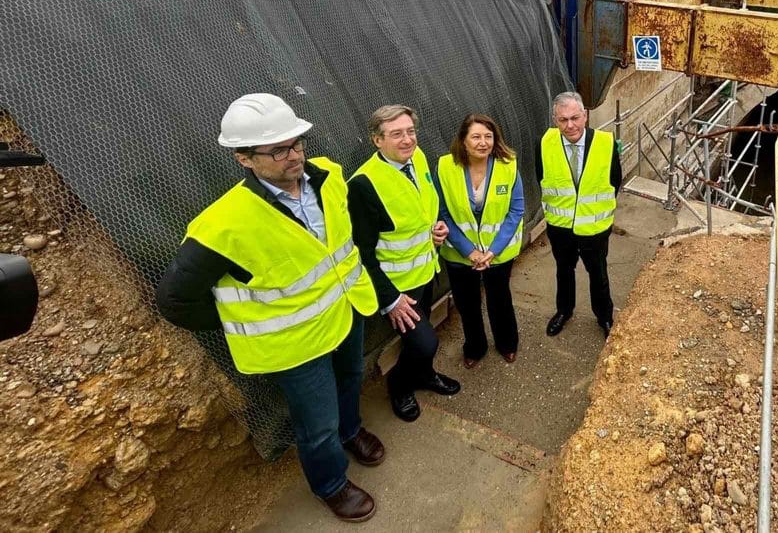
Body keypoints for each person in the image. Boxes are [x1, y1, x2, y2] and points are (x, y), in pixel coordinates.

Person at [157, 93, 383, 523]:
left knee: (352, 378)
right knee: (316, 423)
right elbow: (174, 301)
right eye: (277, 150)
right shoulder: (224, 225)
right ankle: (331, 484)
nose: (292, 155)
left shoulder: (330, 177)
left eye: (296, 143)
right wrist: (240, 317)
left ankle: (351, 431)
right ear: (243, 158)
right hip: (294, 344)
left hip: (345, 311)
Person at [348, 105, 460, 424]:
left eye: (410, 131)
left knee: (422, 344)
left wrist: (436, 226)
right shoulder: (364, 184)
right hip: (398, 287)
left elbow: (422, 206)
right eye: (396, 134)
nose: (407, 139)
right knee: (425, 342)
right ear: (377, 141)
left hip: (425, 271)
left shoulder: (417, 158)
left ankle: (424, 376)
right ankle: (399, 386)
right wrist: (390, 299)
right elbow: (362, 252)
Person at [435, 114, 524, 368]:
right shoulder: (445, 167)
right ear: (463, 141)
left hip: (498, 252)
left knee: (500, 298)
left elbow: (516, 211)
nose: (482, 143)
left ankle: (507, 343)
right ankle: (475, 346)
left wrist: (493, 251)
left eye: (488, 136)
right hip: (460, 254)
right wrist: (469, 251)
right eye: (475, 136)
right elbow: (441, 212)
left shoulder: (508, 165)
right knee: (467, 303)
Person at [537, 91, 622, 339]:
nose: (570, 125)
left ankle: (605, 317)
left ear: (585, 115)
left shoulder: (606, 143)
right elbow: (541, 177)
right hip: (560, 226)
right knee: (564, 270)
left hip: (594, 227)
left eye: (575, 117)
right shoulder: (544, 143)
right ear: (555, 120)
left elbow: (615, 181)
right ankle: (564, 311)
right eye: (563, 120)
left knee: (598, 274)